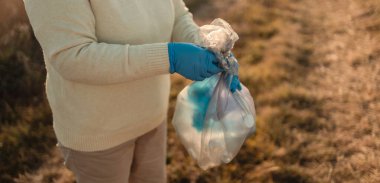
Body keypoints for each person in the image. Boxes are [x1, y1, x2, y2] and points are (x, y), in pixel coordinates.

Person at [24, 0, 240, 182]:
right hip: (97, 132)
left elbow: (176, 12)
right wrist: (170, 57)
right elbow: (74, 56)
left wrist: (204, 48)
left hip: (151, 116)